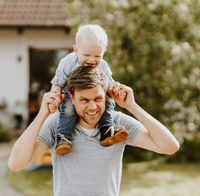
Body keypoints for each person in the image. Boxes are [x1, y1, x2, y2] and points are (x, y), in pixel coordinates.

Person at [8, 66, 179, 196]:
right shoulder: (58, 125)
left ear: (105, 96)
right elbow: (16, 164)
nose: (93, 107)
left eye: (98, 99)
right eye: (84, 100)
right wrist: (42, 114)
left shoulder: (117, 123)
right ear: (72, 99)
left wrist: (132, 106)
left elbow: (169, 146)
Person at [50, 24, 128, 155]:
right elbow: (57, 83)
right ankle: (63, 137)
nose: (92, 60)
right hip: (72, 96)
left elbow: (109, 84)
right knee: (68, 109)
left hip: (97, 96)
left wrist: (117, 90)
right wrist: (54, 97)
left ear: (104, 52)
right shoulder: (68, 62)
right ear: (76, 50)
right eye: (86, 55)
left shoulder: (103, 66)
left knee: (108, 101)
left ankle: (107, 130)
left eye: (97, 56)